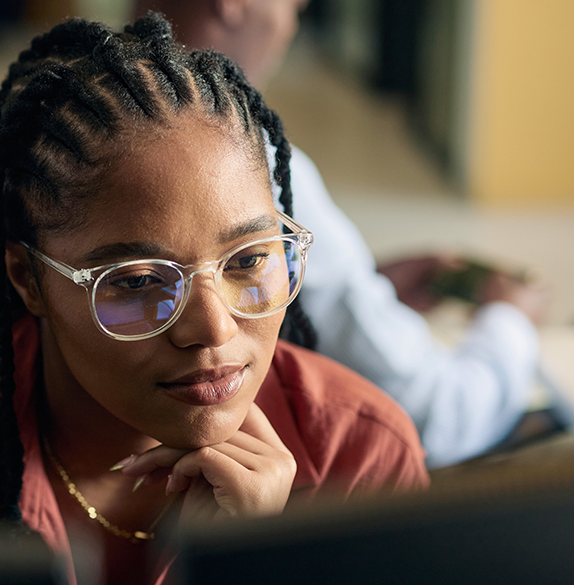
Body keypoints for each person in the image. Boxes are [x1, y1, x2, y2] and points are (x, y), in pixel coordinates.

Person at [0, 14, 428, 585]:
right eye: (140, 282)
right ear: (28, 280)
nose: (214, 330)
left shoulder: (359, 458)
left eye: (249, 260)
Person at [135, 0, 551, 467]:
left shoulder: (74, 125)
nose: (291, 24)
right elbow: (435, 414)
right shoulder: (252, 164)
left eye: (250, 262)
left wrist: (361, 288)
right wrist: (511, 321)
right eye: (294, 3)